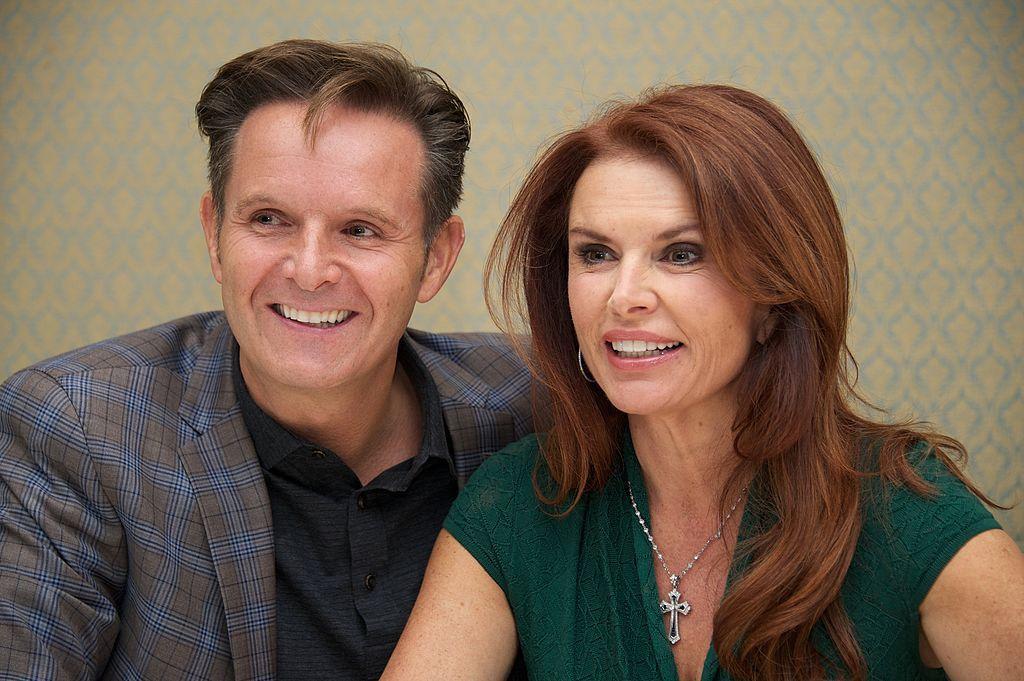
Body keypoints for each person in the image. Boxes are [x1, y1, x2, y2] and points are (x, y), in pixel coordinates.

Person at [383, 84, 1024, 680]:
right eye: (596, 254)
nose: (623, 296)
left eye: (682, 254)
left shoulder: (903, 510)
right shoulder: (516, 504)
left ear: (774, 296)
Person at [0, 40, 536, 680]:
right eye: (269, 219)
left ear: (437, 257)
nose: (309, 271)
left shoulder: (537, 405)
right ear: (214, 235)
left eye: (360, 230)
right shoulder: (80, 428)